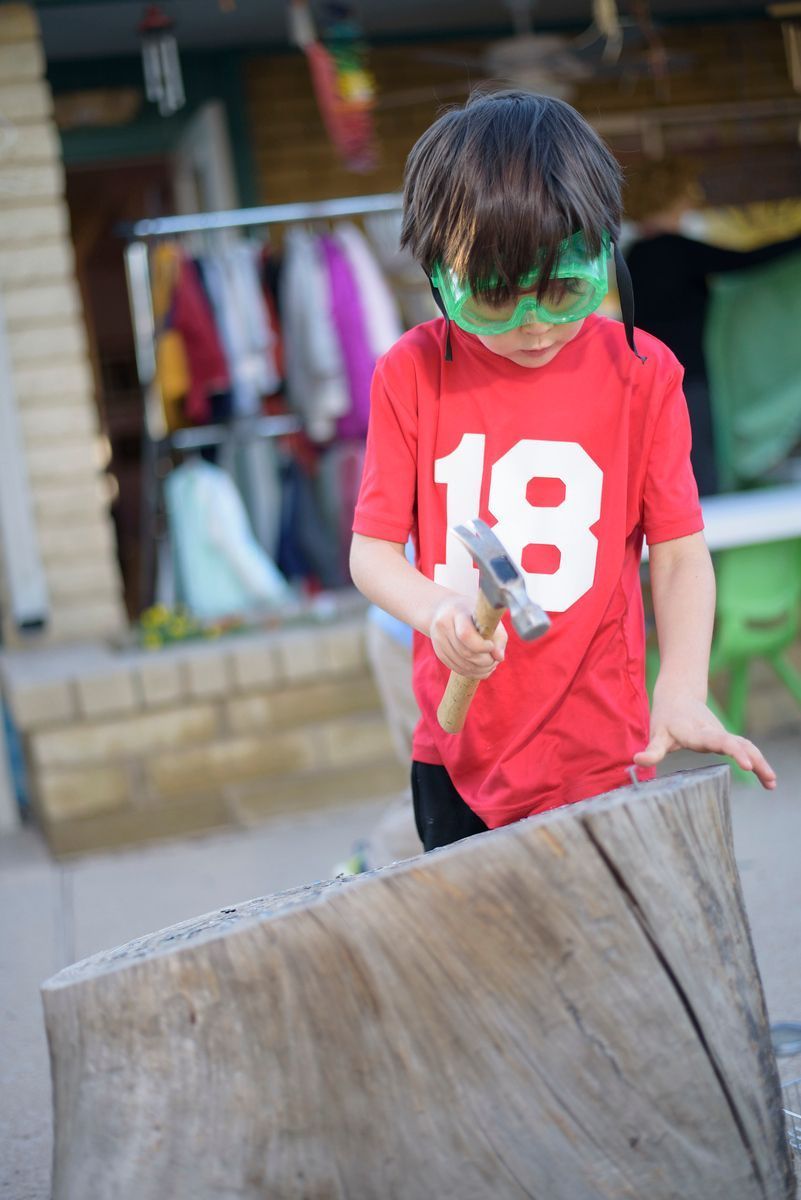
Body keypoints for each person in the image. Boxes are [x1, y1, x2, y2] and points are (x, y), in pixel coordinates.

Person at [350, 90, 776, 854]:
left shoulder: (643, 375)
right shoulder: (409, 373)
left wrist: (678, 689)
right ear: (438, 273)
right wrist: (437, 612)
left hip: (601, 751)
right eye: (492, 298)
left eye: (562, 289)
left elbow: (678, 553)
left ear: (602, 252)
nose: (534, 323)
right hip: (454, 750)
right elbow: (372, 553)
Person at [624, 157, 801, 496]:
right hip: (688, 378)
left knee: (671, 463)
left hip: (651, 376)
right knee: (700, 466)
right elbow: (747, 261)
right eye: (687, 193)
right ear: (671, 197)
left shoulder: (636, 254)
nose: (692, 201)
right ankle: (704, 546)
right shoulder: (672, 249)